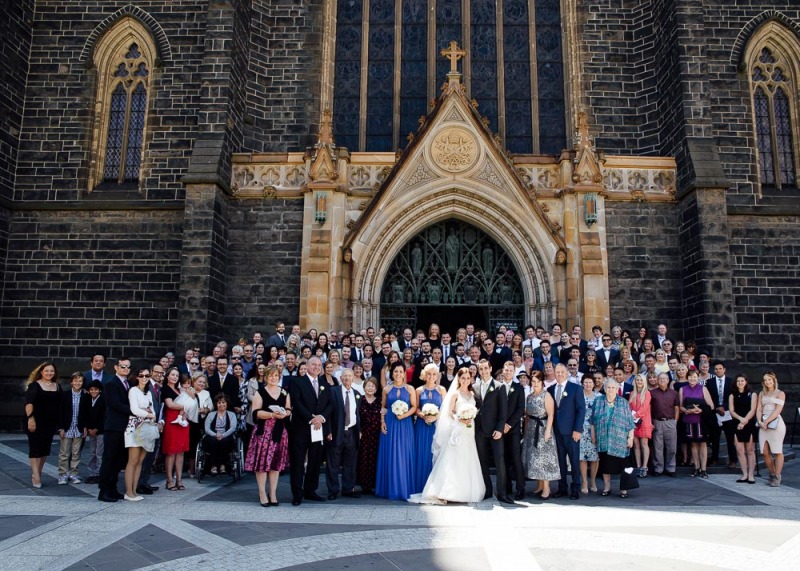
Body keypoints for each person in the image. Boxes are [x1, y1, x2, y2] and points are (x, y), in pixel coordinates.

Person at [409, 368, 485, 504]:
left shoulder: (473, 394)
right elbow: (449, 413)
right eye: (463, 378)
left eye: (468, 378)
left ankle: (466, 490)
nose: (465, 380)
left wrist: (470, 417)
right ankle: (445, 491)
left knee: (468, 458)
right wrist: (460, 419)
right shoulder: (455, 394)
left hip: (469, 431)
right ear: (459, 379)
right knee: (453, 459)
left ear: (471, 379)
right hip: (458, 429)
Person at [289, 357, 332, 505]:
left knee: (315, 461)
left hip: (318, 429)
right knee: (298, 461)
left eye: (319, 365)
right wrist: (311, 418)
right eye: (314, 364)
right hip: (301, 428)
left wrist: (321, 417)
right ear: (307, 366)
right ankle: (297, 494)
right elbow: (296, 402)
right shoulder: (297, 382)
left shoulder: (325, 384)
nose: (316, 367)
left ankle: (310, 490)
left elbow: (330, 405)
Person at [247, 365, 291, 506]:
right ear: (266, 377)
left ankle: (272, 493)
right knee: (262, 464)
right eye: (271, 376)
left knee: (275, 464)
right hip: (264, 432)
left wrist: (285, 413)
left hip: (279, 432)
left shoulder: (284, 392)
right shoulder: (260, 392)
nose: (273, 378)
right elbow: (256, 412)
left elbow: (289, 409)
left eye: (276, 375)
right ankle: (261, 493)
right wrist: (272, 414)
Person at [375, 362, 417, 501]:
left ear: (404, 373)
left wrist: (404, 415)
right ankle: (390, 488)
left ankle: (405, 487)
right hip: (390, 424)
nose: (398, 374)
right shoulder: (386, 389)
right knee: (391, 454)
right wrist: (382, 422)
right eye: (396, 371)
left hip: (405, 425)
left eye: (400, 371)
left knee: (404, 455)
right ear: (392, 373)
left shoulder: (410, 389)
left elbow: (414, 407)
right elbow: (383, 408)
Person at [473, 359, 512, 503]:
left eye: (485, 368)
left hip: (495, 431)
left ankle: (502, 493)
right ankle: (487, 490)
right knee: (482, 462)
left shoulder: (499, 386)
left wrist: (500, 429)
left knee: (499, 461)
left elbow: (504, 412)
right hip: (480, 431)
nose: (483, 371)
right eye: (480, 369)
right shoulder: (475, 387)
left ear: (490, 369)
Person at [592, 379, 637, 498]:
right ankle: (607, 486)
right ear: (604, 388)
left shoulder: (623, 402)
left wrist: (630, 438)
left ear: (617, 389)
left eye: (613, 388)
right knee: (606, 464)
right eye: (608, 387)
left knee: (624, 465)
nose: (610, 390)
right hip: (603, 439)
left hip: (620, 440)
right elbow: (593, 421)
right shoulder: (598, 401)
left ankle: (624, 488)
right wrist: (593, 436)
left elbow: (630, 422)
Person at [98, 357, 133, 502]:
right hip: (114, 427)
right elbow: (115, 404)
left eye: (128, 367)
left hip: (124, 428)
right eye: (123, 366)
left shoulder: (128, 384)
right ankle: (104, 491)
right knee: (109, 459)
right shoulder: (111, 384)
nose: (125, 369)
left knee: (118, 461)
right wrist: (135, 411)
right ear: (116, 367)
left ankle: (112, 489)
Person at [548, 363, 585, 500]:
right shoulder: (551, 389)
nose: (559, 374)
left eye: (562, 371)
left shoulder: (575, 388)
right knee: (560, 462)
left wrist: (577, 429)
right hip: (556, 432)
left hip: (571, 432)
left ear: (567, 372)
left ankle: (575, 488)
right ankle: (562, 487)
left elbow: (581, 410)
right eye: (557, 372)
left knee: (574, 461)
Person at [523, 372, 560, 500]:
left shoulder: (546, 395)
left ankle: (546, 488)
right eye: (533, 382)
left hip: (543, 427)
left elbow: (551, 414)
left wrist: (548, 431)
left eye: (537, 382)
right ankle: (539, 486)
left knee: (543, 458)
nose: (535, 384)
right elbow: (527, 415)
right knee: (535, 459)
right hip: (531, 429)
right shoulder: (529, 397)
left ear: (542, 382)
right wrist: (526, 431)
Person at [325, 368, 362, 500]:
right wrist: (328, 430)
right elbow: (327, 413)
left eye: (349, 376)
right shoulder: (333, 391)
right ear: (340, 378)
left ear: (353, 379)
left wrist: (360, 431)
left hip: (352, 432)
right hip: (336, 432)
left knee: (350, 463)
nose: (347, 378)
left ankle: (348, 488)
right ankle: (333, 490)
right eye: (344, 376)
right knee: (333, 463)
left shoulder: (357, 394)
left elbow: (358, 415)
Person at [25, 362, 62, 489]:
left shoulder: (57, 386)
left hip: (50, 423)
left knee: (44, 449)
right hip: (35, 421)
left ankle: (38, 472)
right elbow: (29, 403)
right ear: (41, 372)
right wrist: (31, 419)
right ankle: (35, 475)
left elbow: (62, 402)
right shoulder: (34, 386)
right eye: (46, 371)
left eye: (52, 371)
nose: (49, 373)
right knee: (35, 448)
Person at [123, 368, 156, 501]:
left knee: (140, 461)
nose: (144, 377)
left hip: (146, 427)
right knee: (133, 460)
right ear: (137, 377)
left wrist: (151, 415)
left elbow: (152, 408)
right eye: (141, 375)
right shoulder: (133, 390)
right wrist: (148, 414)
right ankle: (129, 492)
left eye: (147, 375)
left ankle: (134, 491)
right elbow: (134, 409)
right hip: (134, 427)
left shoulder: (148, 392)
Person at [412, 363, 446, 494]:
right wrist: (423, 416)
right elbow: (416, 408)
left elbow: (445, 409)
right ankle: (420, 485)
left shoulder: (442, 390)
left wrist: (436, 416)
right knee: (422, 454)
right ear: (424, 375)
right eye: (429, 374)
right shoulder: (419, 390)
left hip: (436, 427)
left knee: (435, 455)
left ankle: (435, 488)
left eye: (434, 374)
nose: (431, 376)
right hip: (421, 427)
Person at [679, 370, 715, 478]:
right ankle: (696, 467)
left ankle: (703, 469)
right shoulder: (682, 389)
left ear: (698, 377)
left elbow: (711, 406)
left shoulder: (703, 388)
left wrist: (701, 410)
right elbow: (680, 406)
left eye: (694, 377)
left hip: (701, 420)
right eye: (690, 377)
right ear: (687, 377)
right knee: (693, 444)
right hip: (689, 419)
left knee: (703, 444)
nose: (692, 379)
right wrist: (687, 411)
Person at [57, 372, 91, 485]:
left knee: (76, 453)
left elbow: (87, 413)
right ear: (71, 382)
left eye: (80, 381)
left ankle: (74, 473)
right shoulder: (65, 395)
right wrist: (60, 427)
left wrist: (85, 426)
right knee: (64, 453)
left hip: (79, 427)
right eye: (75, 381)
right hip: (67, 427)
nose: (77, 383)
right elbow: (60, 412)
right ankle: (62, 474)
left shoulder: (85, 395)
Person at [499, 361, 526, 500]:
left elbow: (520, 409)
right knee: (503, 460)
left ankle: (520, 488)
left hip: (513, 430)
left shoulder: (519, 388)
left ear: (514, 372)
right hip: (499, 430)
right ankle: (507, 486)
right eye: (506, 370)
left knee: (516, 459)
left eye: (511, 370)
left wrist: (509, 425)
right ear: (503, 371)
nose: (508, 372)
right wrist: (500, 425)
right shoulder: (498, 387)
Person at [161, 367, 190, 491]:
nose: (174, 377)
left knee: (180, 452)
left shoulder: (179, 390)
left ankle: (179, 479)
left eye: (176, 375)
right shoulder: (166, 389)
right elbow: (170, 404)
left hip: (182, 421)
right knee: (171, 452)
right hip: (172, 421)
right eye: (172, 375)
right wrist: (183, 406)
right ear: (167, 376)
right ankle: (169, 480)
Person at [757, 372, 786, 487]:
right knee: (764, 451)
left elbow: (778, 410)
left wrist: (767, 421)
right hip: (763, 424)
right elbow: (759, 409)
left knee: (777, 450)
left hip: (775, 423)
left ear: (774, 380)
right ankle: (772, 473)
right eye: (765, 380)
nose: (767, 382)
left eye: (769, 379)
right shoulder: (761, 393)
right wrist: (760, 421)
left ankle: (777, 476)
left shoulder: (780, 393)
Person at [706, 360, 735, 469]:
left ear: (724, 369)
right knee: (715, 438)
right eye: (716, 369)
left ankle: (733, 460)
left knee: (730, 438)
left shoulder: (731, 381)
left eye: (720, 369)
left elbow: (733, 397)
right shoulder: (710, 382)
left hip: (728, 413)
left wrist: (725, 407)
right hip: (715, 413)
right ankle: (714, 459)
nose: (718, 371)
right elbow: (708, 398)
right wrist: (716, 408)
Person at [650, 372, 679, 477]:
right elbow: (649, 408)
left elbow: (676, 409)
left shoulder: (674, 393)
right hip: (657, 422)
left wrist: (675, 421)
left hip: (670, 422)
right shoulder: (652, 393)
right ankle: (658, 468)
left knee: (671, 447)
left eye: (664, 379)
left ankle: (671, 468)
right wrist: (651, 422)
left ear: (668, 380)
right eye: (660, 379)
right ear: (657, 380)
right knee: (657, 447)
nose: (662, 380)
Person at [729, 375, 757, 484]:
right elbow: (731, 410)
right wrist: (740, 420)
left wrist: (744, 421)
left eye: (742, 380)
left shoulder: (752, 394)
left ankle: (751, 475)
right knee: (740, 450)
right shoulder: (732, 395)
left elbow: (753, 410)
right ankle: (744, 474)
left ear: (746, 382)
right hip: (736, 423)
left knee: (750, 450)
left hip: (749, 423)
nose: (740, 382)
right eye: (738, 381)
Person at [357, 377, 382, 494]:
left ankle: (373, 484)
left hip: (377, 435)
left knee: (375, 458)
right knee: (363, 459)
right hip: (363, 434)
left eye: (373, 386)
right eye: (368, 385)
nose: (370, 388)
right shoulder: (359, 400)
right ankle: (364, 484)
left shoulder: (380, 401)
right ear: (364, 387)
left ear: (376, 389)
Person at [203, 394, 237, 476]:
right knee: (212, 441)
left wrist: (223, 435)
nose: (221, 404)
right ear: (216, 404)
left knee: (224, 441)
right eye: (219, 403)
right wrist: (215, 435)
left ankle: (223, 465)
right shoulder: (211, 415)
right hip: (213, 435)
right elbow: (207, 429)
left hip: (226, 436)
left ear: (227, 403)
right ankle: (213, 466)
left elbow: (233, 428)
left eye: (223, 402)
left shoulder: (232, 414)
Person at [628, 375, 653, 477]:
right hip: (634, 422)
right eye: (637, 380)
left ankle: (644, 466)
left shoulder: (647, 393)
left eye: (641, 380)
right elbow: (629, 407)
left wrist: (635, 415)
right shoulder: (632, 393)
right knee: (636, 444)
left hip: (644, 421)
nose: (639, 382)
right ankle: (638, 466)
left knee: (644, 444)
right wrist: (632, 416)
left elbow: (644, 407)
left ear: (644, 382)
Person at [578, 375, 599, 494]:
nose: (588, 384)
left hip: (595, 430)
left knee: (595, 457)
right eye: (585, 382)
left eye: (590, 382)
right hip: (581, 430)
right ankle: (584, 481)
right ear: (582, 384)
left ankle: (593, 481)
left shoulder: (599, 397)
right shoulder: (578, 395)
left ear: (593, 384)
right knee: (582, 457)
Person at [84, 380, 106, 485]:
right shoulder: (88, 400)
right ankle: (91, 473)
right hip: (91, 430)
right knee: (92, 452)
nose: (93, 391)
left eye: (96, 389)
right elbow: (86, 415)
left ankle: (99, 473)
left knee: (99, 453)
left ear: (100, 390)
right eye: (91, 389)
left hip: (100, 430)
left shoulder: (103, 400)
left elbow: (104, 416)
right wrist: (89, 428)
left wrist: (97, 428)